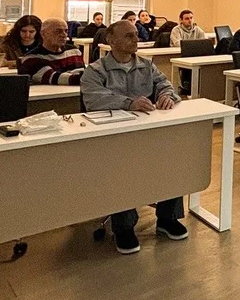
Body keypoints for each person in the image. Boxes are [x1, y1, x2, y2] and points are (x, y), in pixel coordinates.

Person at [80, 20, 187, 254]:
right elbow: (94, 99)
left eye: (136, 35)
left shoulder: (146, 66)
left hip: (146, 133)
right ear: (111, 41)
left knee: (174, 159)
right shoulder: (95, 71)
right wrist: (129, 103)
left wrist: (168, 96)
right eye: (129, 36)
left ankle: (167, 219)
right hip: (112, 138)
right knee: (122, 168)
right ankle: (124, 226)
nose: (136, 39)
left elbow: (166, 85)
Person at [18, 18, 85, 85]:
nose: (64, 35)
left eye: (66, 31)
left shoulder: (74, 51)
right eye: (58, 31)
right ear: (43, 34)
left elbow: (83, 73)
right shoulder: (31, 58)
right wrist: (89, 79)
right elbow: (55, 78)